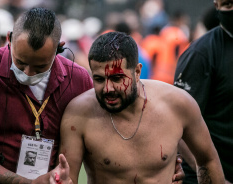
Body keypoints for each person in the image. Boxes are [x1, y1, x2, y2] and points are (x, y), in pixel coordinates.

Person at [58, 32, 225, 184]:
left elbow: (207, 160)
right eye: (99, 79)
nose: (108, 88)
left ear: (137, 72)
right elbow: (68, 177)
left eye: (117, 78)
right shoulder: (78, 113)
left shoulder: (177, 103)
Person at [0, 7, 93, 184]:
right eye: (20, 62)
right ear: (9, 38)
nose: (28, 73)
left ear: (59, 48)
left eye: (40, 67)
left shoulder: (78, 80)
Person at [174, 0, 233, 183]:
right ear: (216, 6)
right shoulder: (201, 53)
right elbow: (179, 126)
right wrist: (216, 178)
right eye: (228, 4)